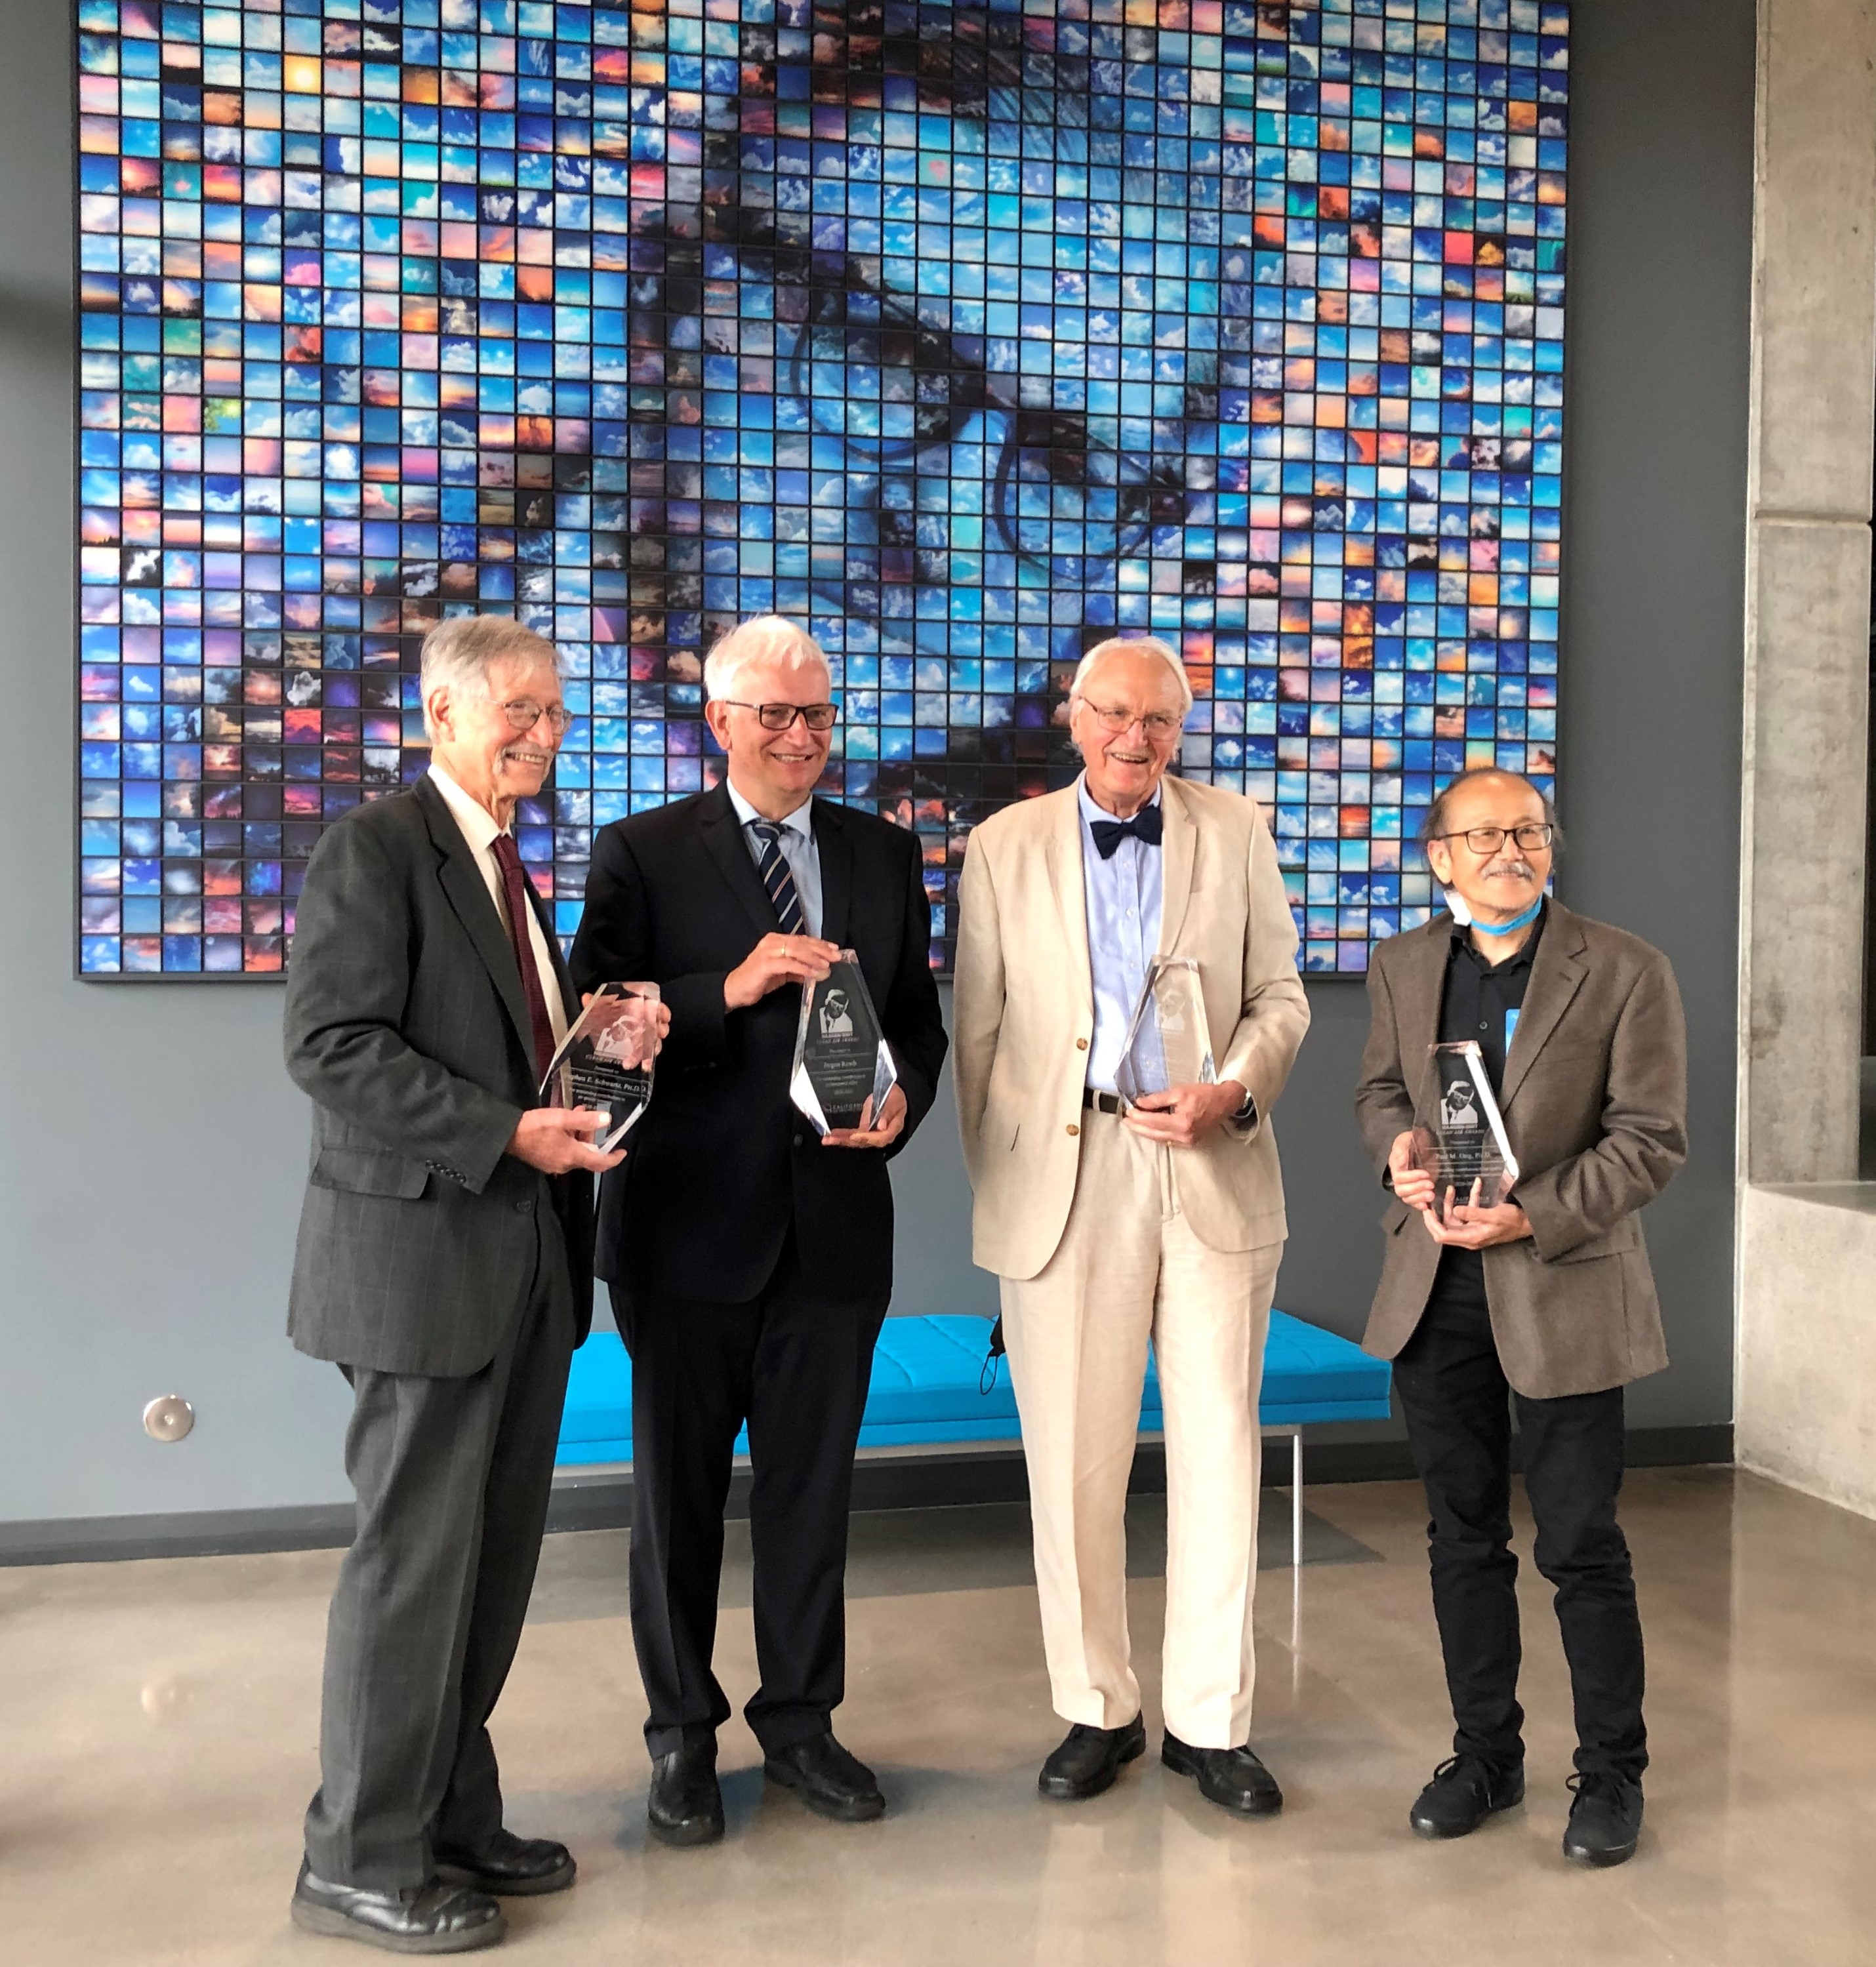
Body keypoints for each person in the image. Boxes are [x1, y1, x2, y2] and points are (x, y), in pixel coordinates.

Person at [283, 616, 663, 1953]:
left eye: (554, 712)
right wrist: (505, 1133)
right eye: (517, 710)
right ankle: (357, 1857)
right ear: (438, 713)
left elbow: (525, 1070)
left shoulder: (509, 868)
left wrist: (606, 1045)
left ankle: (449, 1813)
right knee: (413, 1574)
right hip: (418, 1270)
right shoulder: (378, 850)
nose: (542, 733)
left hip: (519, 1272)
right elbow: (330, 1046)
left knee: (488, 1572)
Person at [571, 614, 948, 1844]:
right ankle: (682, 1736)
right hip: (686, 1231)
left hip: (834, 1230)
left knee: (810, 1496)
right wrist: (718, 993)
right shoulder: (638, 853)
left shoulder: (884, 856)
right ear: (719, 723)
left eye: (819, 715)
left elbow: (914, 1026)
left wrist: (899, 1108)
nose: (801, 737)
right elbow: (596, 1027)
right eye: (775, 716)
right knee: (676, 1503)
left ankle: (802, 1724)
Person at [952, 635, 1311, 1816]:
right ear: (1072, 715)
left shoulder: (1237, 829)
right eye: (1114, 714)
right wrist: (1013, 1182)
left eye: (1159, 721)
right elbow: (983, 1036)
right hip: (1070, 1173)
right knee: (1072, 1461)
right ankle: (1096, 1706)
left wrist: (1234, 1091)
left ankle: (1212, 1722)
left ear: (1179, 730)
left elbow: (1281, 997)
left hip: (1206, 1157)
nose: (1134, 739)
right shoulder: (1001, 847)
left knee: (1220, 1450)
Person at [1353, 767, 1688, 1869]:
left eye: (1529, 830)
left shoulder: (1626, 969)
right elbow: (1381, 1097)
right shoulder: (1405, 966)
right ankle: (1485, 1757)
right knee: (1462, 1541)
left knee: (1583, 1548)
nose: (1510, 849)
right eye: (1483, 834)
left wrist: (1529, 1216)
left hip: (1565, 1291)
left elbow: (1649, 1141)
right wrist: (1399, 1151)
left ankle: (1611, 1776)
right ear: (1438, 855)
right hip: (1436, 1295)